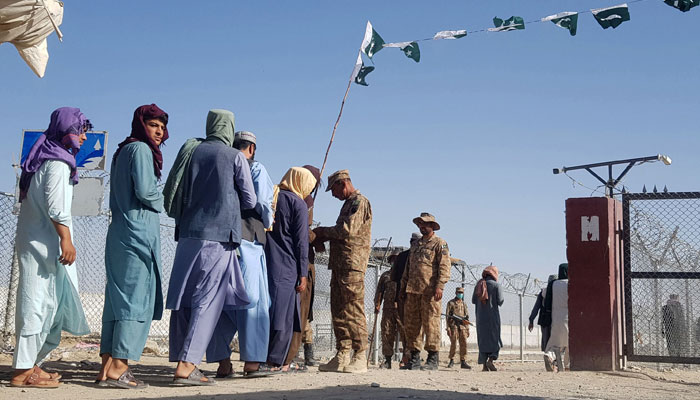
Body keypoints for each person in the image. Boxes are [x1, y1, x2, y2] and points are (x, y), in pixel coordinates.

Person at [166, 109, 256, 386]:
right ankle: (188, 364)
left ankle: (185, 356)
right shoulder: (235, 156)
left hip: (188, 234)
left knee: (184, 301)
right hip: (218, 237)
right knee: (208, 301)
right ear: (229, 128)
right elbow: (250, 200)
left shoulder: (192, 150)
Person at [11, 107, 92, 388]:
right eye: (80, 130)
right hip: (44, 245)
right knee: (38, 304)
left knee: (49, 305)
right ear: (66, 130)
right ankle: (23, 371)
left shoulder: (47, 159)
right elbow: (57, 207)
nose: (83, 137)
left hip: (40, 243)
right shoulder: (57, 164)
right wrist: (66, 239)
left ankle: (31, 363)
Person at [98, 104, 169, 389]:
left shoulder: (122, 151)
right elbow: (145, 191)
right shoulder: (139, 150)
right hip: (137, 233)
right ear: (142, 125)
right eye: (153, 125)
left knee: (117, 302)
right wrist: (168, 199)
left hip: (121, 231)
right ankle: (119, 368)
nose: (159, 131)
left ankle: (106, 367)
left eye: (162, 128)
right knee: (136, 299)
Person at [314, 169, 373, 373]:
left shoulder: (359, 201)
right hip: (340, 264)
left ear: (344, 183)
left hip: (352, 264)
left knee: (353, 308)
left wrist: (322, 232)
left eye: (334, 189)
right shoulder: (347, 204)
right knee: (339, 309)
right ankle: (342, 353)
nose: (333, 194)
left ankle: (360, 354)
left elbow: (347, 231)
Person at [232, 131, 275, 376]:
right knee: (255, 301)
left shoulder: (223, 164)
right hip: (250, 239)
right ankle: (252, 362)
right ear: (252, 148)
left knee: (223, 301)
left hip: (224, 238)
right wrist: (269, 217)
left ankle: (223, 361)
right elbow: (260, 203)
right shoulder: (256, 168)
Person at [265, 167, 317, 371]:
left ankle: (262, 357)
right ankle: (276, 361)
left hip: (268, 262)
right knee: (284, 316)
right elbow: (302, 243)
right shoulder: (298, 203)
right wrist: (303, 274)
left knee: (269, 312)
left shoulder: (273, 196)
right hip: (288, 267)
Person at [400, 213, 451, 371]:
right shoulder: (416, 245)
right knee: (412, 326)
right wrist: (403, 287)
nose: (422, 226)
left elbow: (444, 266)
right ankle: (414, 358)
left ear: (432, 226)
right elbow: (408, 268)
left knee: (431, 324)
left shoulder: (439, 244)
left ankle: (432, 358)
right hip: (413, 291)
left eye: (425, 224)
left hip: (430, 292)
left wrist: (440, 286)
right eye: (420, 224)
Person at [283, 165, 322, 369]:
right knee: (300, 311)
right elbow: (301, 235)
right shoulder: (300, 201)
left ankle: (293, 355)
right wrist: (319, 235)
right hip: (301, 263)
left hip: (294, 262)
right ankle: (287, 359)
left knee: (303, 314)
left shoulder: (282, 197)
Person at [394, 232, 421, 367]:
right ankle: (411, 357)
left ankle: (410, 357)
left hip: (404, 295)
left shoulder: (403, 256)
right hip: (410, 296)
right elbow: (395, 278)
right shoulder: (413, 257)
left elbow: (395, 278)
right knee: (412, 328)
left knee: (408, 328)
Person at [472, 265, 503, 372]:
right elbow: (500, 301)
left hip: (480, 318)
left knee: (482, 340)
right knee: (495, 339)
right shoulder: (496, 286)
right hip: (493, 317)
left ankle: (484, 365)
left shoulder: (478, 284)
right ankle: (491, 359)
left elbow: (473, 300)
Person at [529, 274, 558, 371]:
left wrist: (531, 320)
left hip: (544, 320)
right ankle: (554, 362)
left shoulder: (543, 292)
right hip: (555, 320)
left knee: (546, 341)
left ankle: (548, 358)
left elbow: (536, 308)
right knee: (556, 342)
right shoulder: (557, 292)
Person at [545, 264, 569, 371]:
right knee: (570, 343)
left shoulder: (553, 284)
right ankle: (568, 365)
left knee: (555, 342)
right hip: (569, 316)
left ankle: (549, 355)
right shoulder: (571, 284)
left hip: (555, 316)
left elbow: (547, 303)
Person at [374, 269, 400, 369]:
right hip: (388, 308)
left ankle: (407, 359)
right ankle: (387, 360)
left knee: (405, 332)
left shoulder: (406, 272)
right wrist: (377, 303)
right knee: (387, 331)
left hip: (402, 307)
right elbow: (380, 290)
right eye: (392, 259)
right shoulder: (386, 275)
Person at [446, 287, 471, 369]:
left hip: (462, 327)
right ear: (456, 293)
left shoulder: (464, 304)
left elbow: (466, 318)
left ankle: (463, 361)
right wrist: (448, 328)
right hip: (454, 326)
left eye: (461, 293)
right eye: (459, 292)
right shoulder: (451, 303)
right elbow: (447, 316)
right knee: (453, 344)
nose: (460, 294)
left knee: (464, 344)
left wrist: (467, 329)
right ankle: (451, 360)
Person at [661, 294, 688, 358]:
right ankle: (679, 358)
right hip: (679, 329)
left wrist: (662, 330)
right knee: (679, 344)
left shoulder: (665, 307)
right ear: (677, 298)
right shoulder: (680, 307)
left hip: (669, 329)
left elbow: (662, 320)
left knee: (671, 344)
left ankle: (673, 358)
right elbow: (683, 320)